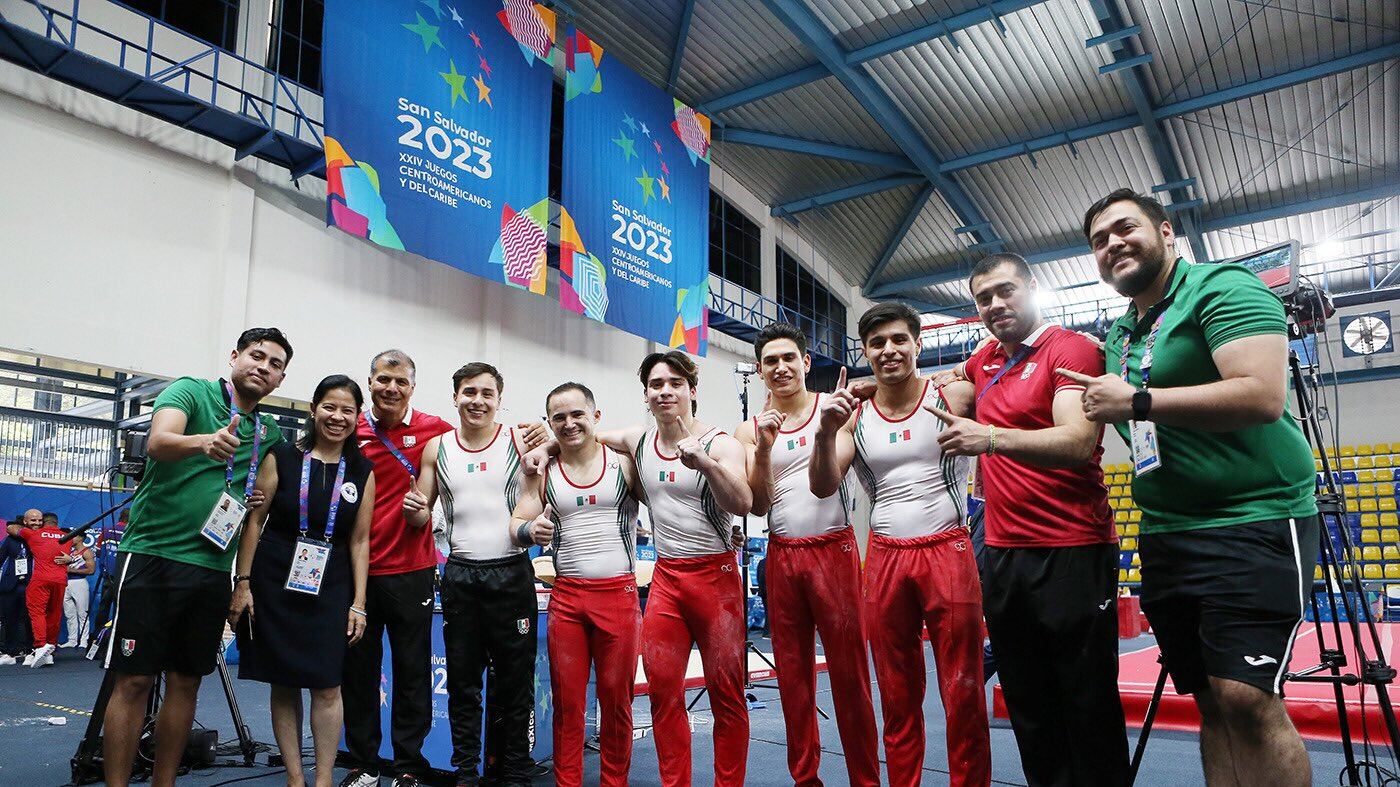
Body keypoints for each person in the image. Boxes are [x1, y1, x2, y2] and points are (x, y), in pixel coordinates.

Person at [1070, 188, 1319, 787]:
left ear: (1166, 232)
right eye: (1099, 242)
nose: (1112, 246)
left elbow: (1261, 394)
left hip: (1253, 517)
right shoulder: (1121, 335)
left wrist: (1137, 401)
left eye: (1124, 229)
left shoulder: (1222, 287)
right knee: (1208, 699)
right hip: (1168, 533)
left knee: (1246, 699)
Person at [931, 252, 1128, 785]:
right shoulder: (985, 359)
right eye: (983, 299)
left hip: (1071, 546)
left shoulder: (1072, 349)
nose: (996, 305)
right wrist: (949, 385)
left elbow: (1077, 440)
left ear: (1032, 288)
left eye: (1005, 291)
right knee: (1027, 702)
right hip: (1001, 551)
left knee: (1085, 700)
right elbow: (955, 382)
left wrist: (989, 438)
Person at [528, 350, 752, 786]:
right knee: (664, 696)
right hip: (668, 578)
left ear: (692, 389)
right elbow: (582, 435)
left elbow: (743, 502)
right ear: (646, 395)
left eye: (674, 383)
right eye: (655, 385)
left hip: (715, 577)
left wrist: (704, 463)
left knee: (727, 696)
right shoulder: (638, 440)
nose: (665, 391)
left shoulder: (721, 443)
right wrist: (544, 446)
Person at [809, 303, 990, 787]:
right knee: (896, 692)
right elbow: (824, 485)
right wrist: (824, 432)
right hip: (886, 555)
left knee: (963, 691)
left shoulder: (954, 395)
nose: (889, 350)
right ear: (866, 351)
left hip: (948, 550)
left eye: (898, 340)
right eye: (877, 343)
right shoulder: (855, 416)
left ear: (917, 343)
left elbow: (1001, 368)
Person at [102, 327, 292, 787]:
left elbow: (255, 517)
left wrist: (242, 581)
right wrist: (203, 442)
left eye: (274, 365)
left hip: (211, 571)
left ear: (281, 380)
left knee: (187, 681)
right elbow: (159, 442)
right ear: (234, 356)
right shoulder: (191, 390)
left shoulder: (268, 434)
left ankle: (164, 783)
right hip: (151, 554)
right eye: (256, 356)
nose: (263, 367)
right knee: (134, 680)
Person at [733, 322, 880, 787]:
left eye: (788, 358)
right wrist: (762, 450)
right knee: (793, 680)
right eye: (770, 361)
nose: (780, 367)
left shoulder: (834, 410)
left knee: (850, 677)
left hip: (832, 549)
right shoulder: (748, 429)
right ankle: (805, 779)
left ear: (805, 363)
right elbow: (757, 504)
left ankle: (865, 779)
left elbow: (827, 483)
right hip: (781, 555)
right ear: (759, 370)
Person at [402, 362, 548, 787]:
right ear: (455, 397)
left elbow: (566, 445)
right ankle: (467, 770)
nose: (477, 401)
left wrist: (547, 432)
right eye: (469, 392)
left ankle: (514, 767)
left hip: (510, 574)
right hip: (462, 576)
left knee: (515, 682)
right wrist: (414, 513)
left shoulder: (520, 441)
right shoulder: (437, 449)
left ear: (499, 400)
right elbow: (419, 515)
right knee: (464, 684)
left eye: (487, 393)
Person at [231, 375, 375, 787]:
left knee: (328, 685)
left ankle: (324, 778)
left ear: (356, 417)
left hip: (331, 585)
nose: (338, 417)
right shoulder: (281, 456)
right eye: (330, 406)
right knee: (284, 681)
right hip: (275, 578)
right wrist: (243, 582)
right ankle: (295, 777)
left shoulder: (363, 471)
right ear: (314, 409)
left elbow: (360, 540)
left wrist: (359, 602)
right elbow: (254, 521)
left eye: (348, 410)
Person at [510, 382, 642, 787]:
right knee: (568, 702)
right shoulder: (541, 470)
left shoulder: (623, 463)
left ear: (595, 416)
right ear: (550, 423)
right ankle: (568, 782)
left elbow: (672, 500)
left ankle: (613, 782)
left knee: (616, 701)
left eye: (577, 414)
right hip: (567, 598)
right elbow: (516, 524)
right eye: (559, 418)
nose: (569, 424)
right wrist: (532, 529)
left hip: (617, 596)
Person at [341, 350, 454, 787]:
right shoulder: (350, 426)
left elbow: (485, 439)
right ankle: (364, 762)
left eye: (401, 382)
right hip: (356, 572)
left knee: (411, 670)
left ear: (412, 387)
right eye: (383, 379)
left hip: (412, 570)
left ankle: (408, 763)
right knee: (359, 672)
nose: (391, 388)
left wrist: (539, 434)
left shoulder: (436, 430)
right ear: (369, 381)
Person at [6, 509, 71, 668]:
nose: (37, 524)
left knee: (37, 613)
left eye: (39, 521)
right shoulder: (67, 537)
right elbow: (84, 550)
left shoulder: (33, 534)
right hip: (60, 581)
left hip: (40, 580)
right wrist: (71, 558)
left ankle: (41, 646)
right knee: (55, 615)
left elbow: (10, 528)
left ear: (44, 522)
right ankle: (50, 650)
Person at [57, 515, 97, 648]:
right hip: (66, 583)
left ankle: (84, 641)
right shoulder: (70, 551)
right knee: (69, 614)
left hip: (79, 583)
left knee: (82, 613)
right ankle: (72, 640)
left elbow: (91, 571)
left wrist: (70, 569)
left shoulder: (87, 552)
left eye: (73, 536)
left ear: (80, 537)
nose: (70, 538)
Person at [0, 516, 34, 665]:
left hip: (29, 583)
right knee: (9, 618)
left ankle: (28, 650)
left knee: (28, 619)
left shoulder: (34, 539)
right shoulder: (9, 541)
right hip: (10, 584)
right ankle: (9, 652)